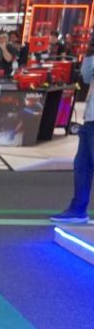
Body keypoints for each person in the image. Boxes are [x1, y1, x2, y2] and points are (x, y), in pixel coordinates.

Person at [50, 43, 94, 225]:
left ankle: (78, 209)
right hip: (90, 119)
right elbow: (86, 76)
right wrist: (90, 52)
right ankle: (78, 209)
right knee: (82, 166)